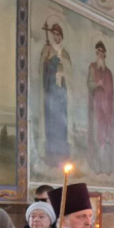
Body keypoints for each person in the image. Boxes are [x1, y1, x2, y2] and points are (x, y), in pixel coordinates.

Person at [40, 22, 72, 163]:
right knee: (51, 121)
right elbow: (41, 70)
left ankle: (62, 154)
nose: (55, 37)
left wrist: (62, 66)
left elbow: (69, 73)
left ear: (61, 36)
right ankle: (51, 154)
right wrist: (47, 63)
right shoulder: (47, 49)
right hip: (51, 91)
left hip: (61, 93)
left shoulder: (65, 53)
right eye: (53, 34)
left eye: (58, 34)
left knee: (61, 122)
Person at [87, 41, 114, 175]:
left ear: (105, 54)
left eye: (102, 51)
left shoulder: (108, 73)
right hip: (97, 107)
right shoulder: (92, 68)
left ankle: (107, 168)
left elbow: (111, 93)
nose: (100, 54)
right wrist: (96, 84)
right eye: (97, 51)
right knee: (97, 138)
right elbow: (89, 84)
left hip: (107, 110)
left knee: (106, 139)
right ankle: (97, 167)